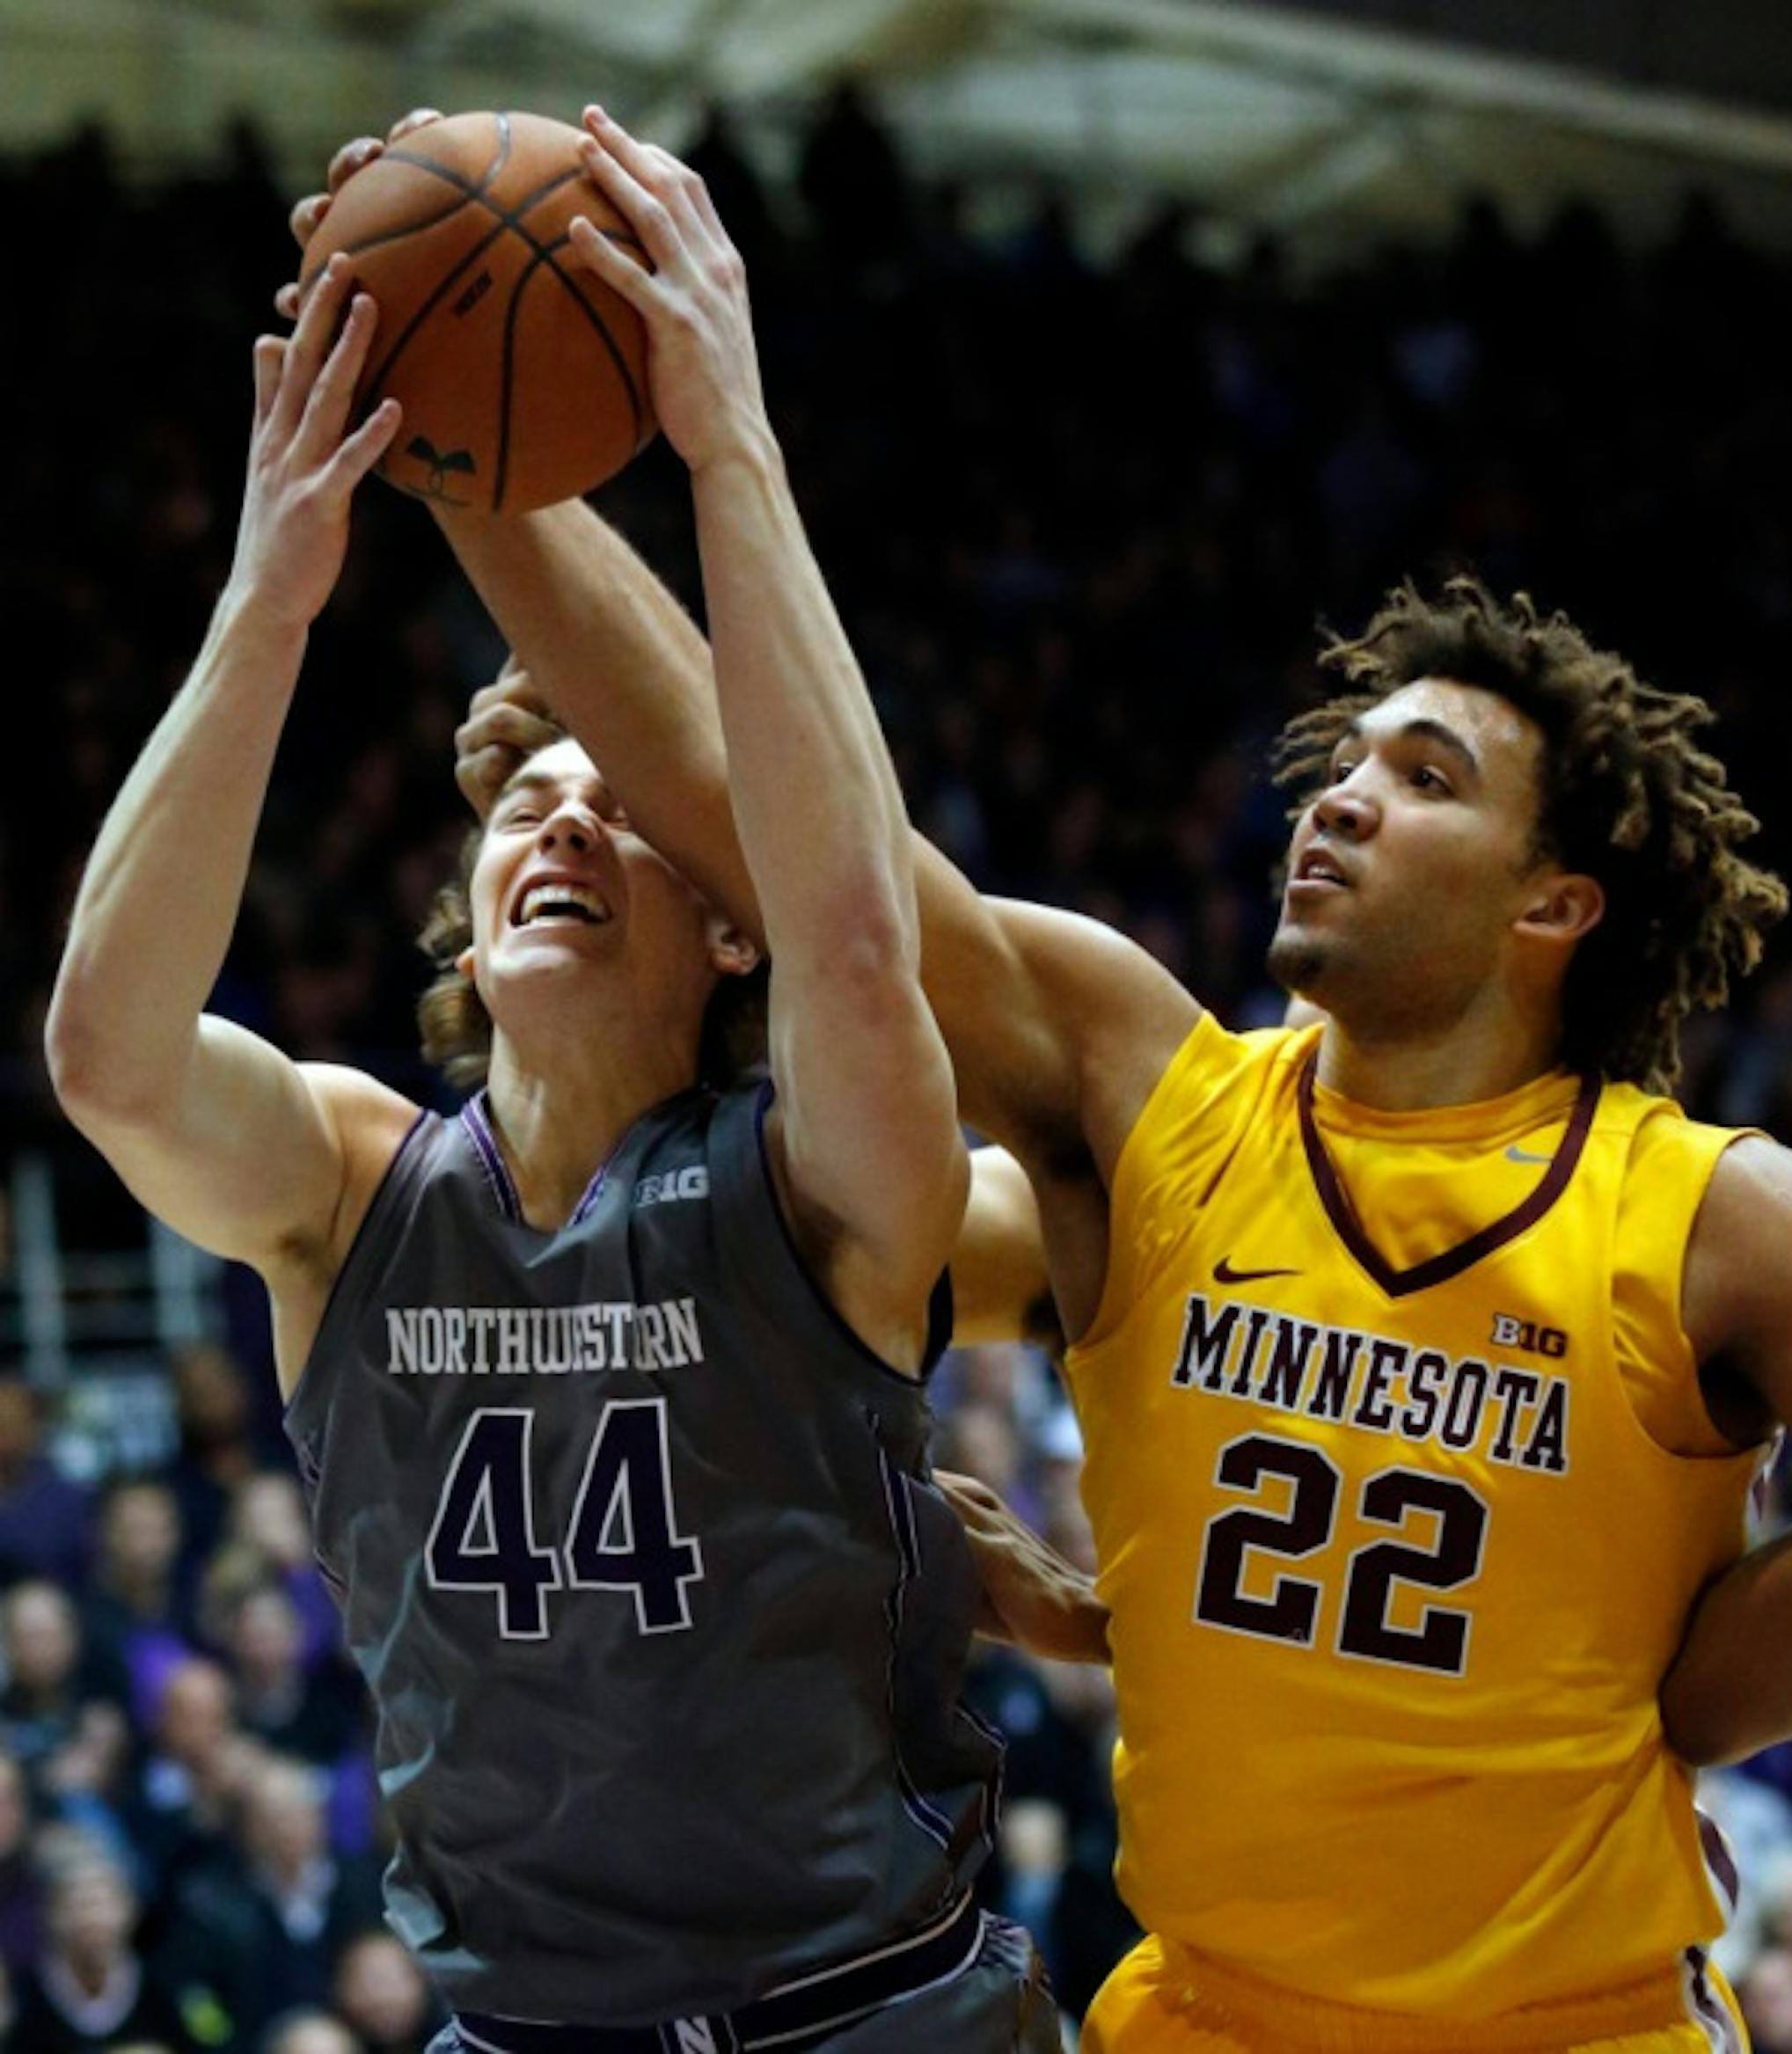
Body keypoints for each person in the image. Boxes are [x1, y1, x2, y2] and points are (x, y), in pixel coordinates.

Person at [325, 152, 1792, 2050]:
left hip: (1581, 2021)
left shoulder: (1719, 1215)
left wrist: (1686, 1679)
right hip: (1207, 2016)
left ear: (1556, 899)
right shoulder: (1150, 1099)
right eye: (1338, 762)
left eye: (1421, 775)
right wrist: (478, 455)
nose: (1335, 798)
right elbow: (807, 860)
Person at [47, 125, 1063, 2049]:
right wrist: (272, 597)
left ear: (728, 930)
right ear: (468, 904)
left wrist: (728, 444)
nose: (568, 823)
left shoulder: (817, 1187)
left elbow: (860, 939)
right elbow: (105, 1053)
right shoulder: (356, 1182)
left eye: (624, 812)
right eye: (527, 803)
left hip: (867, 2012)